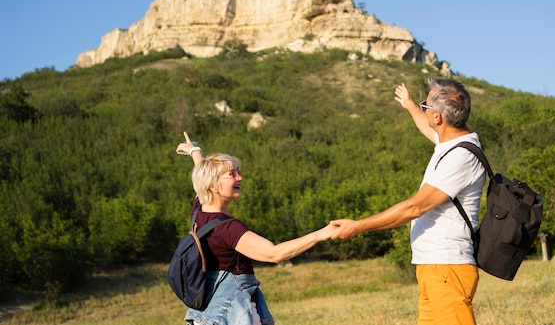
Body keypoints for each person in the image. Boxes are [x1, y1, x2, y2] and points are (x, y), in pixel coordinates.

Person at [331, 77, 486, 325]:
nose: (423, 109)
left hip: (447, 266)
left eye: (427, 105)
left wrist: (358, 226)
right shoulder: (451, 143)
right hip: (434, 266)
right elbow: (426, 127)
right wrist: (411, 105)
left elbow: (415, 207)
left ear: (438, 117)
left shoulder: (460, 157)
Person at [176, 132, 335, 325]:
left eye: (238, 171)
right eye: (232, 174)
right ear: (213, 185)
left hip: (205, 313)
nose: (240, 177)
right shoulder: (228, 228)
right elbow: (274, 254)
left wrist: (195, 151)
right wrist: (321, 234)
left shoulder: (199, 210)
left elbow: (202, 173)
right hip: (232, 313)